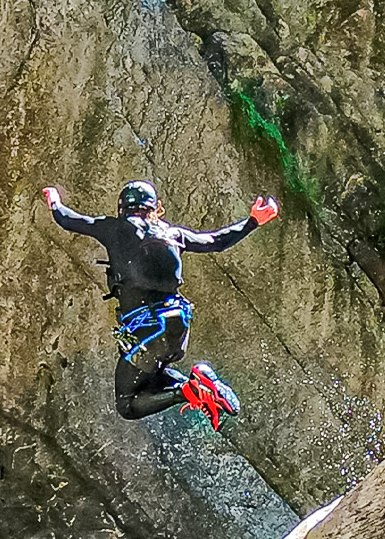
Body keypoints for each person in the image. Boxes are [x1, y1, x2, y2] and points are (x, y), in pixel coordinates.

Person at [41, 181, 278, 430]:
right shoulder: (172, 234)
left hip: (149, 332)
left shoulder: (115, 228)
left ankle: (190, 389)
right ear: (153, 208)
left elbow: (68, 219)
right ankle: (199, 384)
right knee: (152, 378)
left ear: (123, 208)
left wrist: (54, 201)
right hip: (177, 328)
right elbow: (215, 241)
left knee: (127, 405)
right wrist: (252, 221)